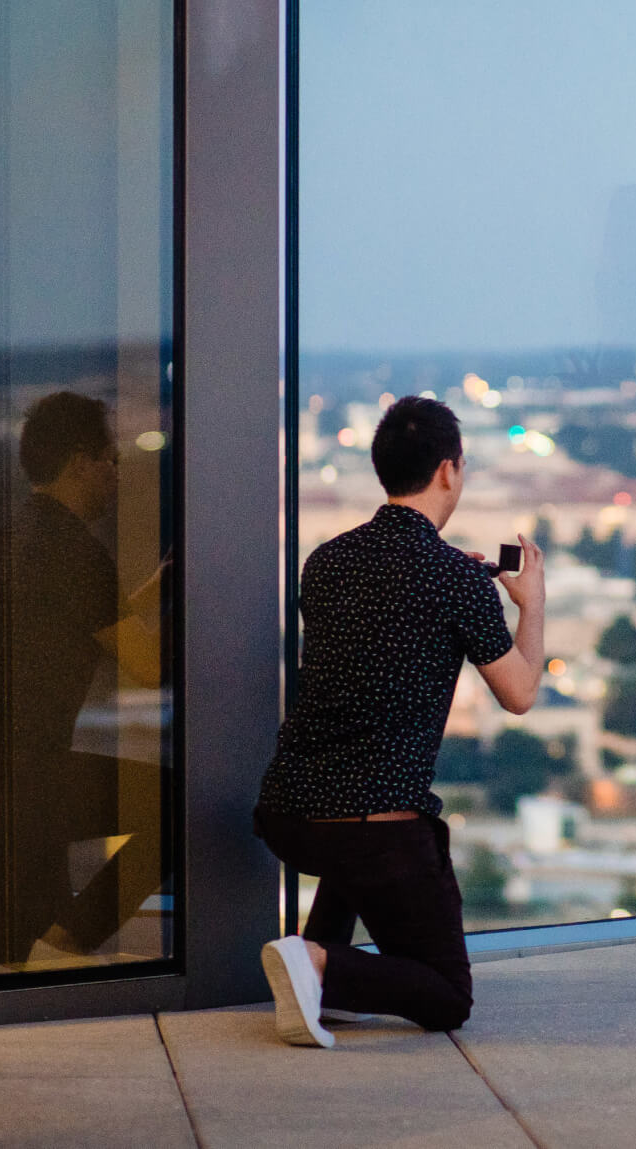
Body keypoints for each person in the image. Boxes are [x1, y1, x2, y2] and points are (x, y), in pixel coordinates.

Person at [254, 395, 544, 1047]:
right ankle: (315, 959)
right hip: (373, 827)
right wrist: (532, 603)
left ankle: (314, 971)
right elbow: (520, 693)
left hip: (288, 811)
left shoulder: (325, 563)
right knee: (447, 993)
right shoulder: (456, 580)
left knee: (355, 836)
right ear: (449, 471)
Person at [0, 391, 165, 965]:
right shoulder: (79, 553)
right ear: (78, 464)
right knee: (170, 810)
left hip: (12, 762)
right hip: (40, 767)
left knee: (31, 929)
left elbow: (84, 625)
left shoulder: (25, 531)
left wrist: (149, 596)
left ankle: (54, 951)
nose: (117, 473)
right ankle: (68, 947)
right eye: (110, 460)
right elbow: (147, 667)